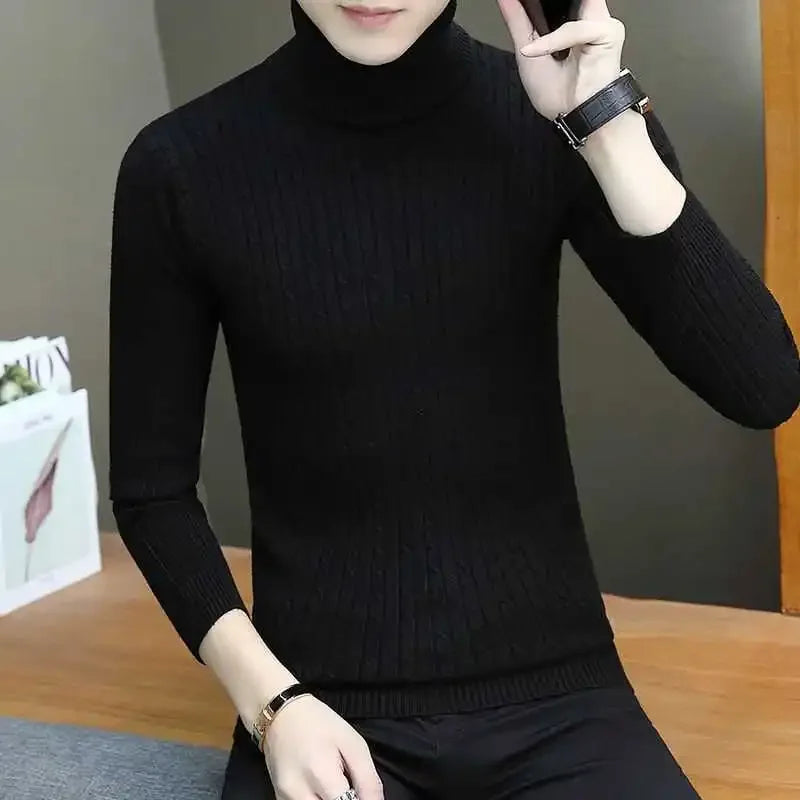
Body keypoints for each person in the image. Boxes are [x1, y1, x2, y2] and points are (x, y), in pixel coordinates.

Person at [108, 0, 800, 798]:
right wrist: (272, 704)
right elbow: (153, 494)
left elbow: (762, 385)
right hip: (317, 704)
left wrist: (605, 127)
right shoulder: (180, 166)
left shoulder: (555, 117)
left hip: (559, 698)